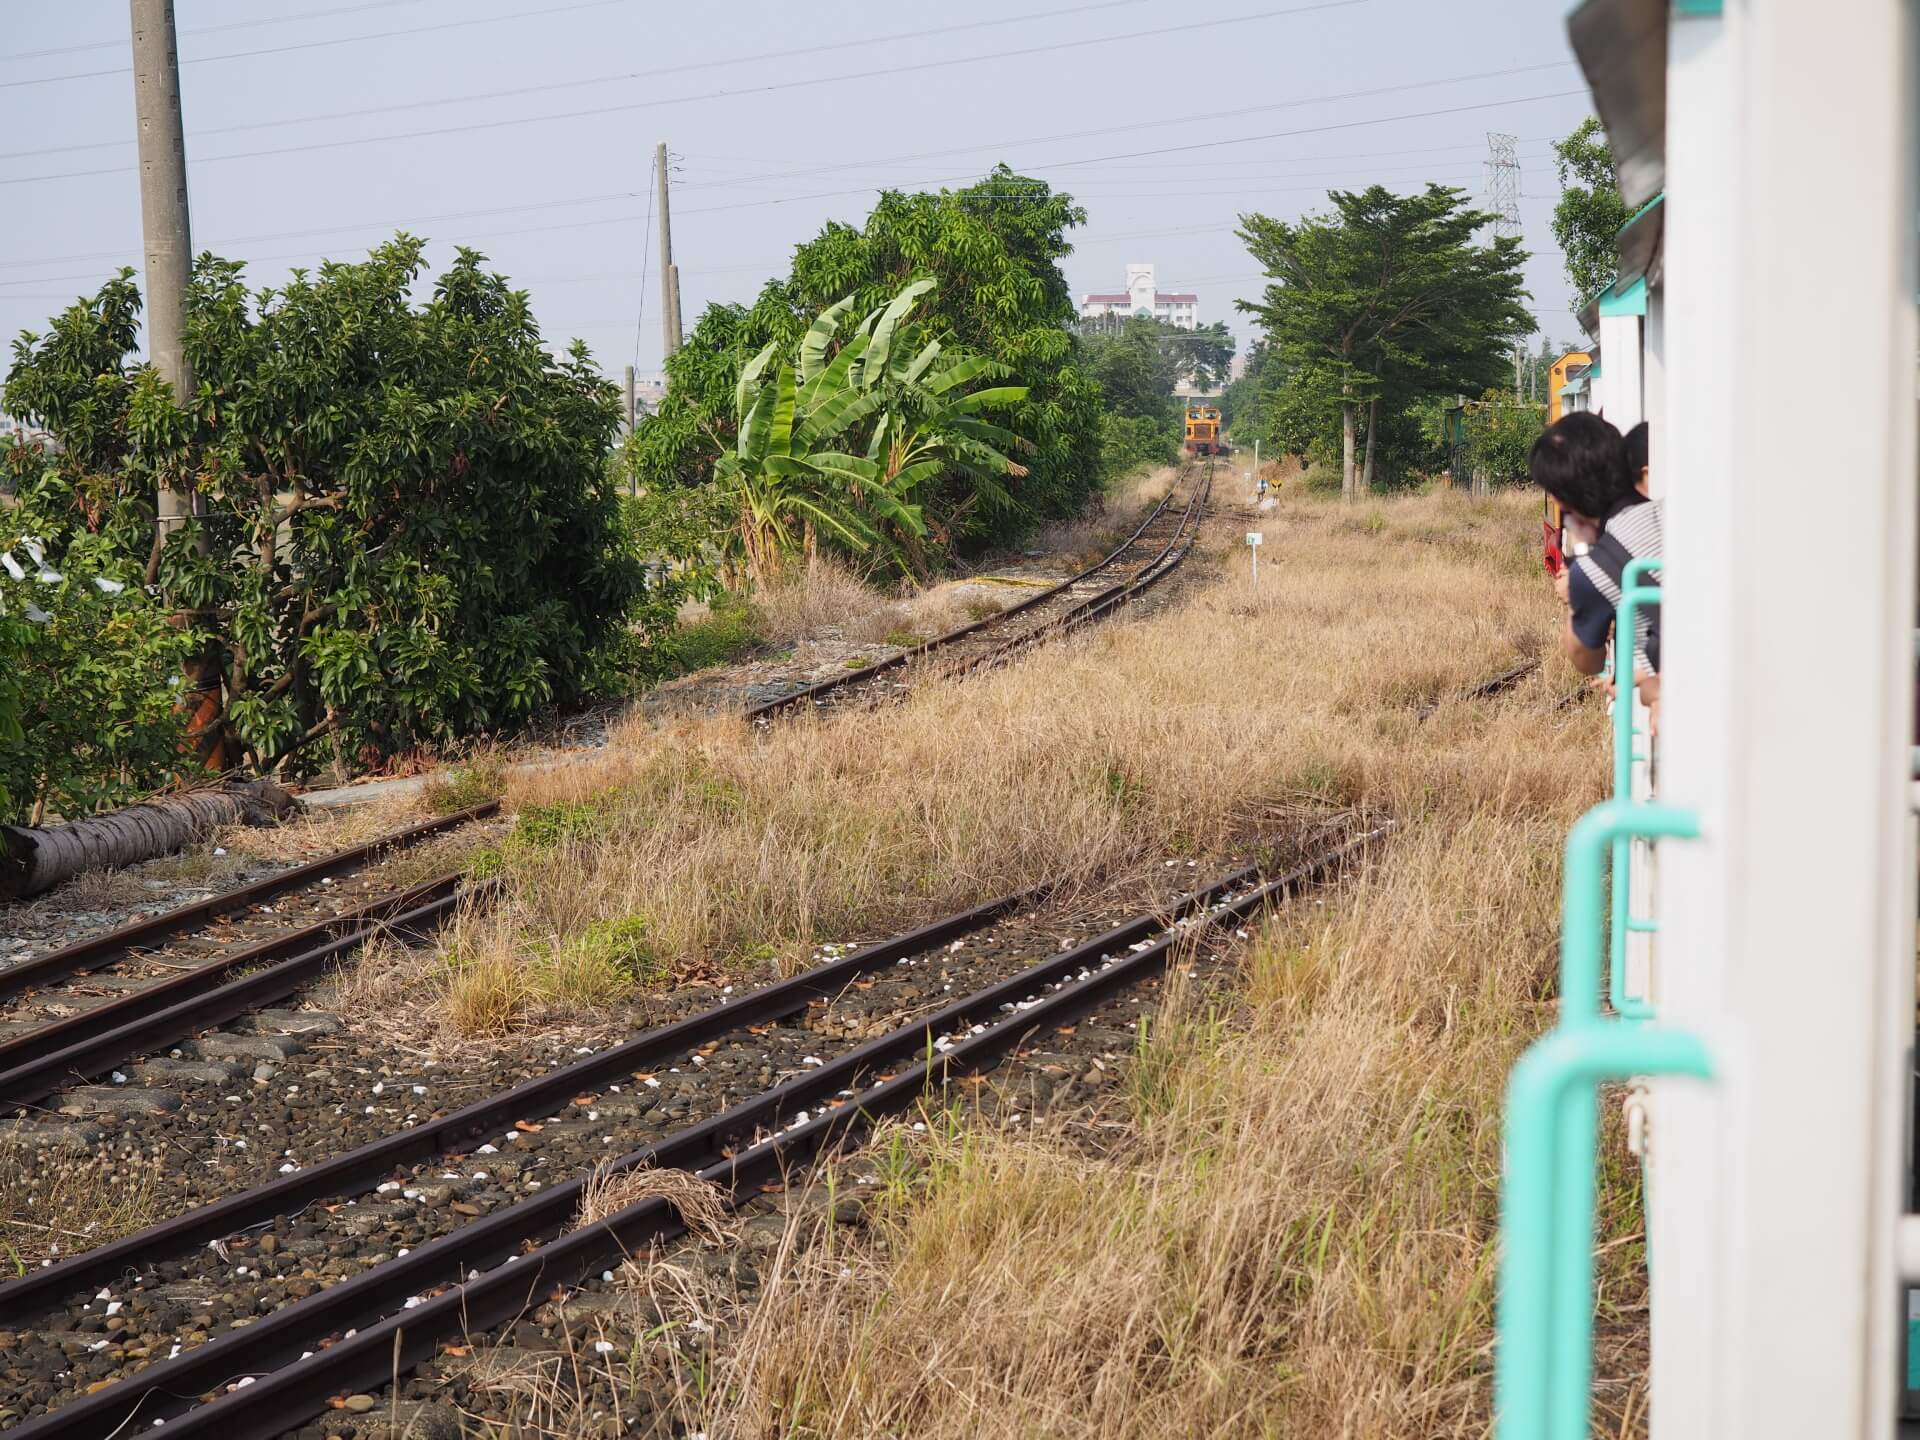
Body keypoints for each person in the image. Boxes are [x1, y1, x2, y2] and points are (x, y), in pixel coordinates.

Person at [1529, 412, 1662, 681]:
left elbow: (1587, 660)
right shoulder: (1675, 511)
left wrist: (1575, 574)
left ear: (1560, 498)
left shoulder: (1592, 572)